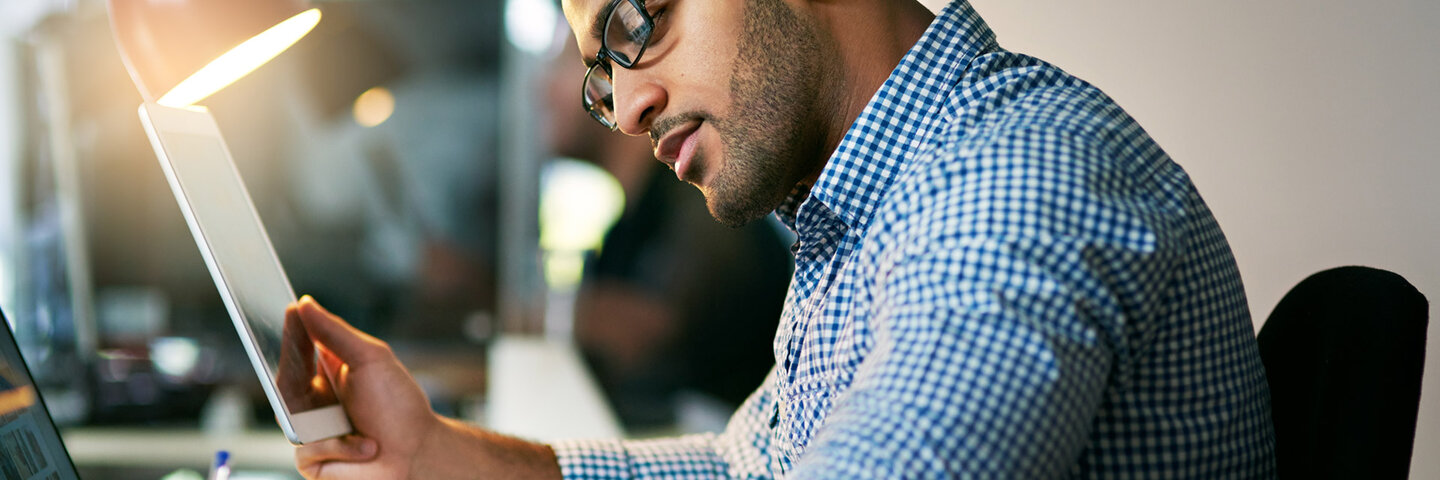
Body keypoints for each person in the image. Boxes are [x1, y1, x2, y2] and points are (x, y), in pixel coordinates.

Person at [291, 0, 1277, 477]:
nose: (626, 109)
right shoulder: (866, 209)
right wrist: (435, 454)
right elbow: (743, 469)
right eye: (599, 79)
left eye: (635, 22)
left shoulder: (1011, 183)